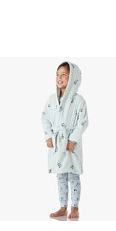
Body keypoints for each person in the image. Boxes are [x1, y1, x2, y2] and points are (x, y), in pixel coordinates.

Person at [41, 61, 89, 219]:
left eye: (64, 75)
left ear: (73, 78)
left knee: (73, 175)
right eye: (57, 74)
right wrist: (48, 135)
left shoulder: (79, 100)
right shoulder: (52, 99)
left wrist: (73, 139)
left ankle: (74, 208)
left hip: (71, 144)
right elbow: (44, 117)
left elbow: (83, 122)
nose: (59, 78)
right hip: (57, 143)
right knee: (60, 175)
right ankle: (63, 207)